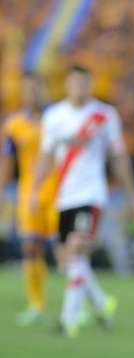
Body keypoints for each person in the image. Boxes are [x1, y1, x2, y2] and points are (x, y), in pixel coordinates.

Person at [30, 64, 134, 338]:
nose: (80, 89)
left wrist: (131, 195)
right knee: (65, 260)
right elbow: (45, 156)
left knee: (77, 250)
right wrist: (34, 190)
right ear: (66, 86)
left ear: (90, 86)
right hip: (63, 195)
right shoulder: (54, 116)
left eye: (84, 84)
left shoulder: (104, 115)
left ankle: (68, 322)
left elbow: (118, 157)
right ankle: (102, 304)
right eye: (75, 84)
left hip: (91, 194)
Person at [0, 74, 58, 326]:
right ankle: (36, 304)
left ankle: (81, 302)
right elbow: (8, 162)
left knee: (66, 249)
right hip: (28, 193)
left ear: (43, 90)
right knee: (30, 247)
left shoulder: (55, 120)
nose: (31, 94)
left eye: (36, 89)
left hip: (57, 191)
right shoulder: (14, 125)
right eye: (27, 90)